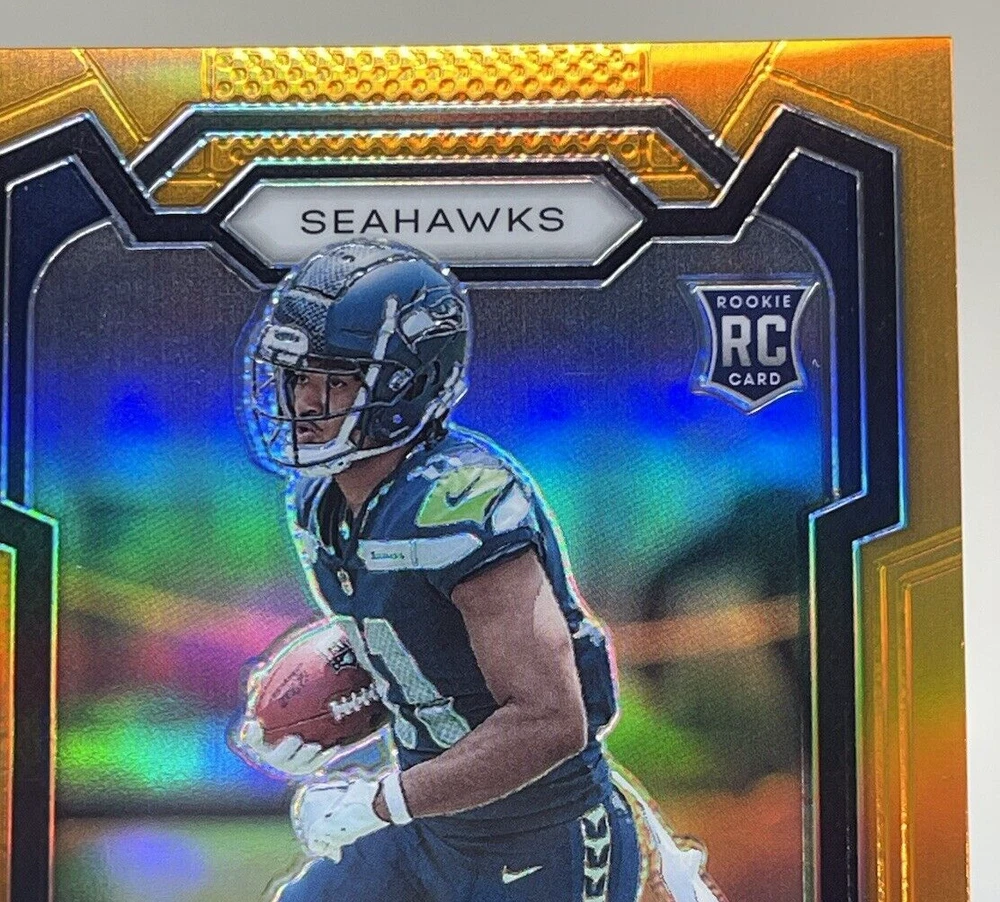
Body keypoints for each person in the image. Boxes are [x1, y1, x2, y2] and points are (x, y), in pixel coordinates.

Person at [235, 238, 723, 902]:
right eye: (296, 376)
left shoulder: (461, 503)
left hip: (539, 835)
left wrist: (381, 802)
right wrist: (312, 708)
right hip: (431, 831)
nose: (304, 401)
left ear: (406, 385)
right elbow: (421, 637)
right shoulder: (319, 501)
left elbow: (550, 719)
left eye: (335, 379)